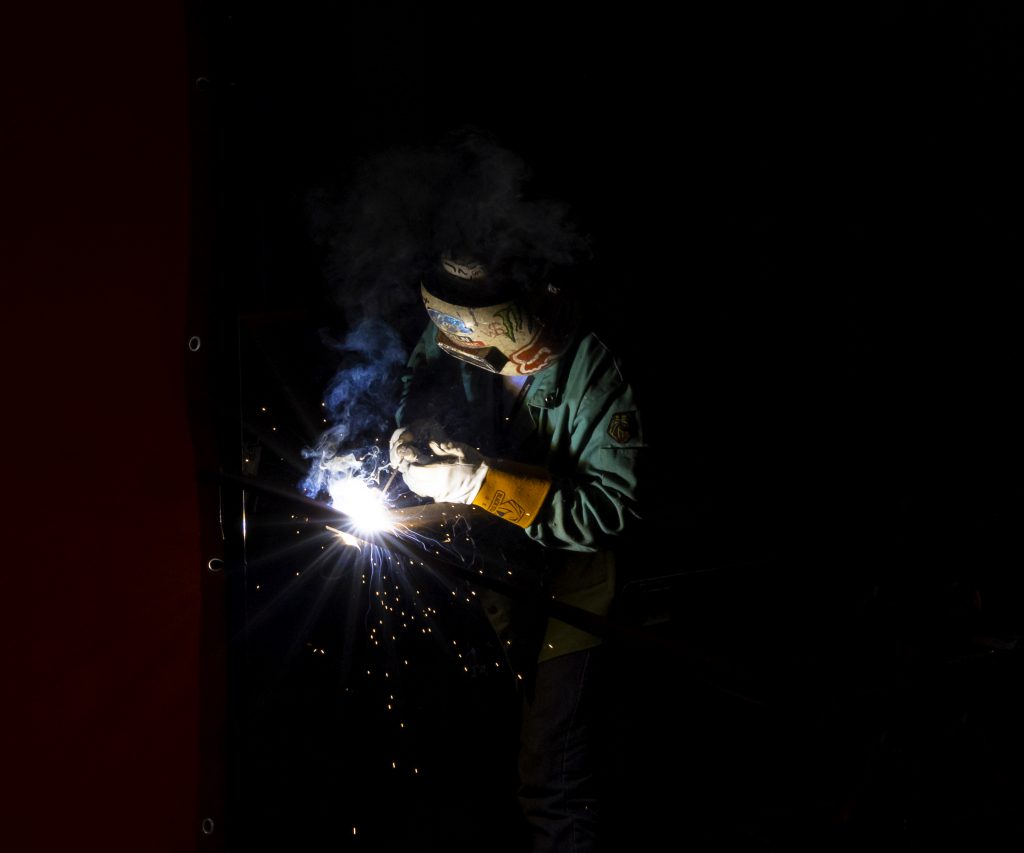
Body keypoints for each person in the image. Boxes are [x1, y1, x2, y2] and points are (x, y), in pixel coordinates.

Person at [389, 253, 645, 853]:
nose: (470, 351)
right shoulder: (457, 317)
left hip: (575, 590)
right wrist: (413, 431)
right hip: (491, 576)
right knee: (477, 755)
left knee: (550, 778)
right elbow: (421, 378)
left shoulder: (597, 369)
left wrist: (484, 485)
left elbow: (608, 512)